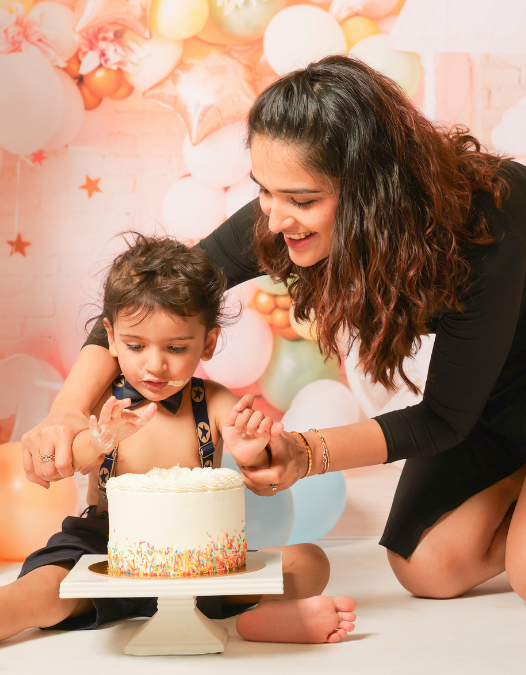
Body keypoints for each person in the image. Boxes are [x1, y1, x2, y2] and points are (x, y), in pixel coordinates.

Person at [22, 55, 526, 606]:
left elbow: (443, 418)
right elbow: (152, 300)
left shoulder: (489, 233)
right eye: (264, 190)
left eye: (302, 200)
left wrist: (304, 452)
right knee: (426, 569)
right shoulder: (285, 211)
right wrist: (66, 412)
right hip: (498, 376)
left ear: (374, 193)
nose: (272, 220)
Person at [0, 234, 357, 645]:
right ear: (110, 337)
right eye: (136, 346)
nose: (155, 365)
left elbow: (262, 472)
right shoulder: (102, 402)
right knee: (42, 588)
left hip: (199, 558)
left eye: (175, 347)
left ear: (208, 343)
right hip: (105, 549)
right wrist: (98, 441)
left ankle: (266, 618)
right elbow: (71, 460)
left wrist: (251, 453)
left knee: (308, 560)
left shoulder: (216, 402)